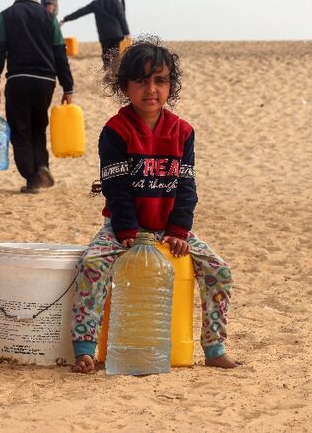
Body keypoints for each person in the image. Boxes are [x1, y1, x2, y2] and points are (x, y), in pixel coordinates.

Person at [71, 37, 241, 373]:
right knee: (92, 265)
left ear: (170, 86)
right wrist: (126, 230)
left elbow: (186, 186)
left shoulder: (182, 132)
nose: (151, 89)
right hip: (124, 227)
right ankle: (85, 349)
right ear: (124, 87)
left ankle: (214, 347)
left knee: (219, 271)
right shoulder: (116, 131)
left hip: (168, 228)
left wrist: (179, 229)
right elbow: (116, 188)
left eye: (160, 80)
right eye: (141, 81)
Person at [0, 0, 74, 193]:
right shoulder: (49, 17)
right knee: (38, 126)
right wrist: (67, 86)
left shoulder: (6, 15)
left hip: (18, 79)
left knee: (21, 129)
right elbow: (60, 52)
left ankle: (31, 176)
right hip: (46, 81)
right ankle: (42, 166)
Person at [60, 0, 130, 68]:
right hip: (116, 33)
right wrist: (126, 32)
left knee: (105, 54)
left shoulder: (96, 3)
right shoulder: (115, 1)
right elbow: (121, 17)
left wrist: (66, 19)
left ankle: (106, 70)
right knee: (115, 54)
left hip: (104, 34)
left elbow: (81, 12)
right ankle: (114, 72)